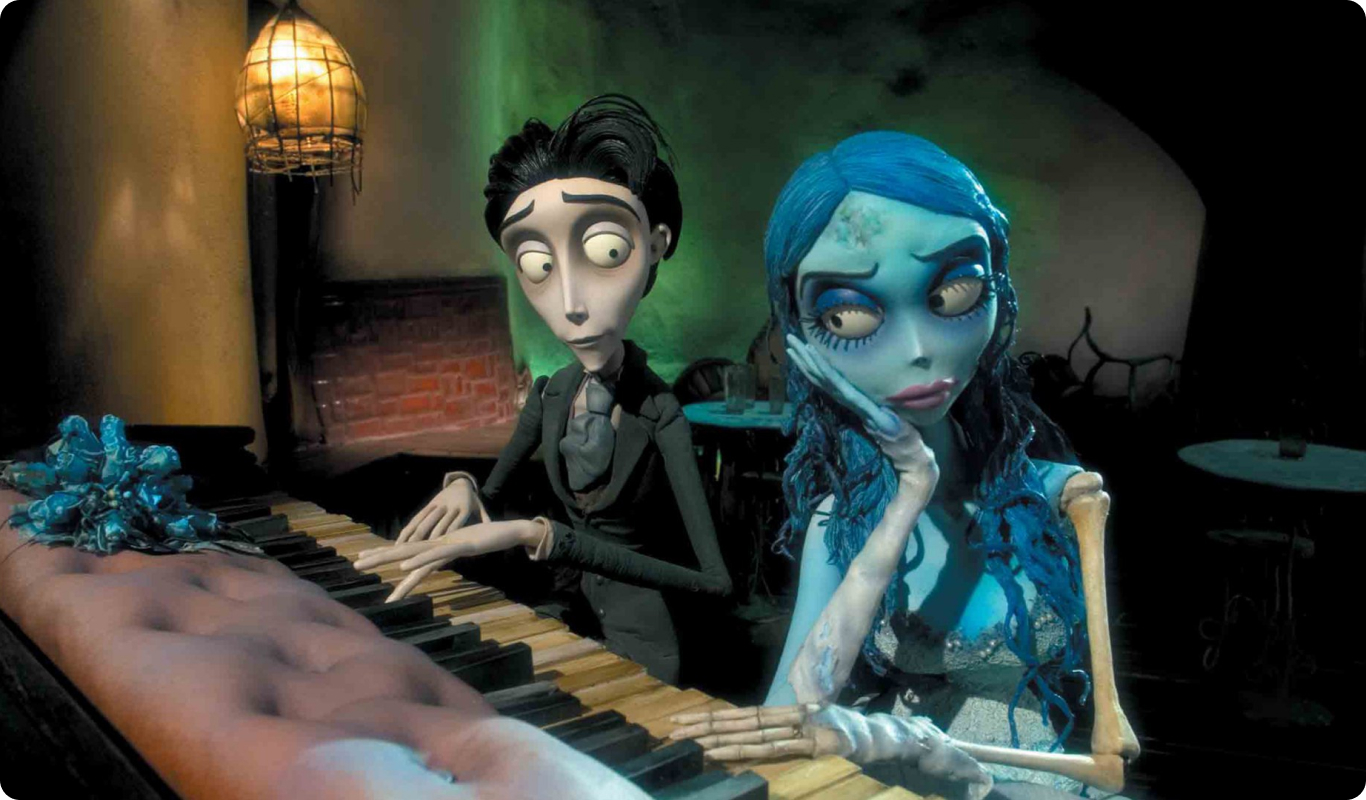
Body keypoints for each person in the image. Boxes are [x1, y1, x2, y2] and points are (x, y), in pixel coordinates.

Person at [669, 132, 1138, 799]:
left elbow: (1110, 758)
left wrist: (921, 744)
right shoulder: (842, 522)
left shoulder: (1067, 501)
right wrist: (909, 493)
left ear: (998, 288)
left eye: (954, 291)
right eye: (847, 315)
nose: (918, 349)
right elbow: (788, 717)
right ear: (799, 337)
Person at [356, 95, 732, 684]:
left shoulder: (661, 414)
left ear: (656, 245)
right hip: (566, 619)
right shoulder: (550, 395)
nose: (571, 304)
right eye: (536, 263)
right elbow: (492, 494)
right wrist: (463, 485)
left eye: (607, 250)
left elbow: (714, 580)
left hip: (645, 644)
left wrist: (546, 537)